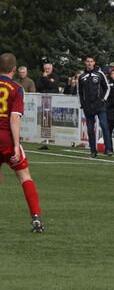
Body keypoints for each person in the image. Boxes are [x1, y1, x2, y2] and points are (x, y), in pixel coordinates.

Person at [0, 53, 43, 233]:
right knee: (24, 176)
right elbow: (14, 118)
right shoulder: (17, 89)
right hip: (7, 139)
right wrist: (16, 145)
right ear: (15, 69)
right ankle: (36, 217)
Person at [78, 55, 113, 158]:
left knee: (105, 126)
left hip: (100, 106)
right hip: (88, 107)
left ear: (94, 62)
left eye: (91, 61)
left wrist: (103, 99)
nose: (89, 63)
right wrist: (82, 104)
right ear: (85, 63)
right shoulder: (82, 76)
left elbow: (107, 88)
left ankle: (108, 149)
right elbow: (79, 92)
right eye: (88, 61)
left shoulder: (99, 74)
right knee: (90, 129)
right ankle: (93, 151)